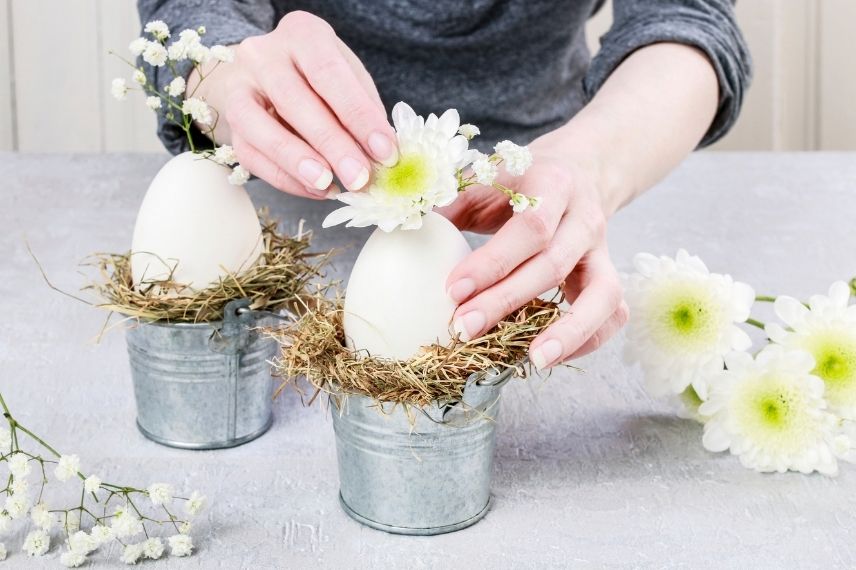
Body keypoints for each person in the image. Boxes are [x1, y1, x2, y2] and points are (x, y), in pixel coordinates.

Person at [138, 0, 750, 370]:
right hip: (282, 216)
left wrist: (590, 164)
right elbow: (192, 13)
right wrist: (219, 69)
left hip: (537, 203)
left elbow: (686, 18)